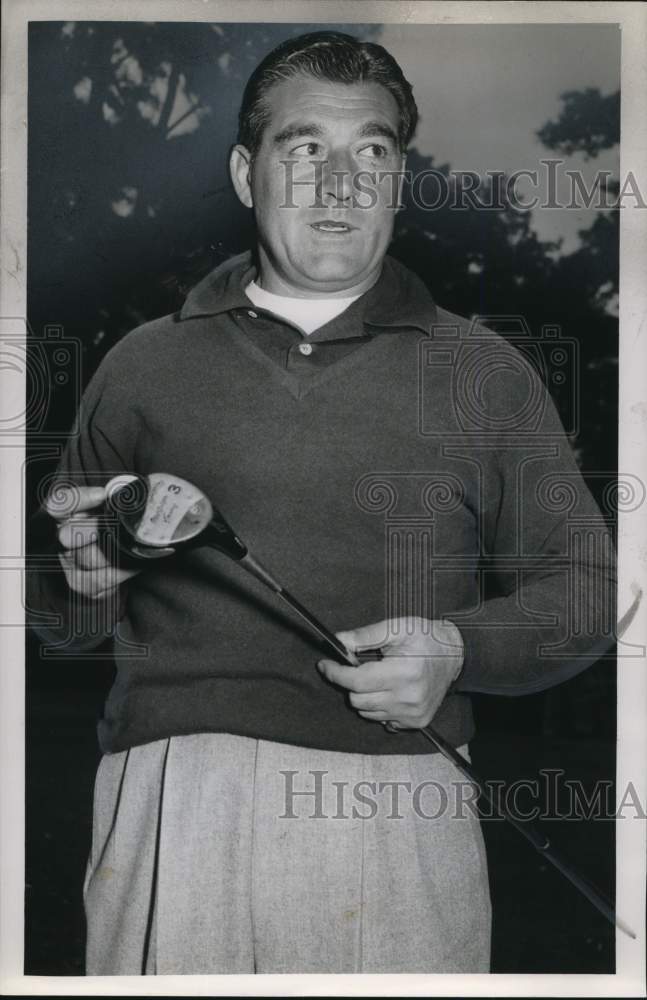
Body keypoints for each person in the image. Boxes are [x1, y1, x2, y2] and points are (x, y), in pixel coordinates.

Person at [28, 31, 616, 975]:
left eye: (371, 152)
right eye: (304, 150)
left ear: (398, 178)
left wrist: (459, 648)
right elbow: (57, 617)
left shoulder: (484, 372)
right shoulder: (142, 363)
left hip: (400, 806)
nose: (339, 184)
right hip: (175, 798)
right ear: (242, 171)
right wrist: (80, 573)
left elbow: (586, 590)